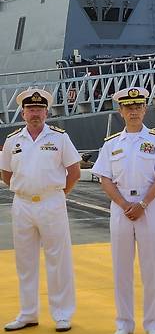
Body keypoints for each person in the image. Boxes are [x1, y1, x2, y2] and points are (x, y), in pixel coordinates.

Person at [92, 87, 155, 334]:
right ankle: (124, 324)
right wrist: (124, 204)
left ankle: (153, 325)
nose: (134, 112)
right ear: (121, 111)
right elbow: (105, 178)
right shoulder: (111, 144)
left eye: (138, 107)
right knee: (121, 271)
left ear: (145, 109)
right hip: (121, 209)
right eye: (129, 108)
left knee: (151, 269)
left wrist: (143, 204)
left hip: (148, 207)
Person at [1, 88, 81, 332]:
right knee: (25, 261)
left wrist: (56, 195)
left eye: (39, 109)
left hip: (51, 203)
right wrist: (27, 191)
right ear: (23, 113)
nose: (35, 113)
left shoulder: (59, 137)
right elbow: (6, 174)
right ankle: (28, 314)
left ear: (46, 112)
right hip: (22, 204)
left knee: (59, 260)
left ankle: (62, 314)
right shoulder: (13, 140)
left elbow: (74, 172)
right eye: (30, 109)